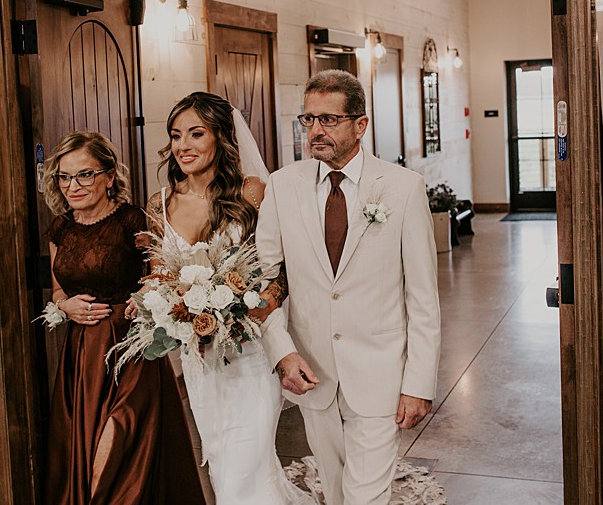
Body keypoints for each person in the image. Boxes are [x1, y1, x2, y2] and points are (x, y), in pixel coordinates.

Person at [257, 70, 441, 505]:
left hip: (379, 372)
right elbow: (264, 284)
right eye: (309, 119)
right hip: (312, 374)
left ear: (360, 124)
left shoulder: (402, 187)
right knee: (336, 491)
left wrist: (419, 382)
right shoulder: (283, 186)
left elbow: (423, 298)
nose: (316, 131)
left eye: (329, 120)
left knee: (365, 497)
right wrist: (282, 352)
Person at [137, 91, 314, 505]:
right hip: (202, 362)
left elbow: (281, 272)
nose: (183, 146)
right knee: (219, 458)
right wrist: (161, 304)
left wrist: (255, 306)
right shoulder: (159, 204)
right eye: (176, 135)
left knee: (243, 467)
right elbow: (160, 277)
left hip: (251, 354)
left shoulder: (253, 193)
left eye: (196, 134)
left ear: (220, 137)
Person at [42, 130, 205, 505]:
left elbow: (164, 275)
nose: (73, 186)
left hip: (132, 350)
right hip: (82, 358)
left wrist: (146, 295)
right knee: (83, 451)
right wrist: (65, 306)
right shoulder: (60, 229)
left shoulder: (135, 221)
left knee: (116, 444)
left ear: (110, 176)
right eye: (64, 177)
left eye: (85, 174)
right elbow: (58, 291)